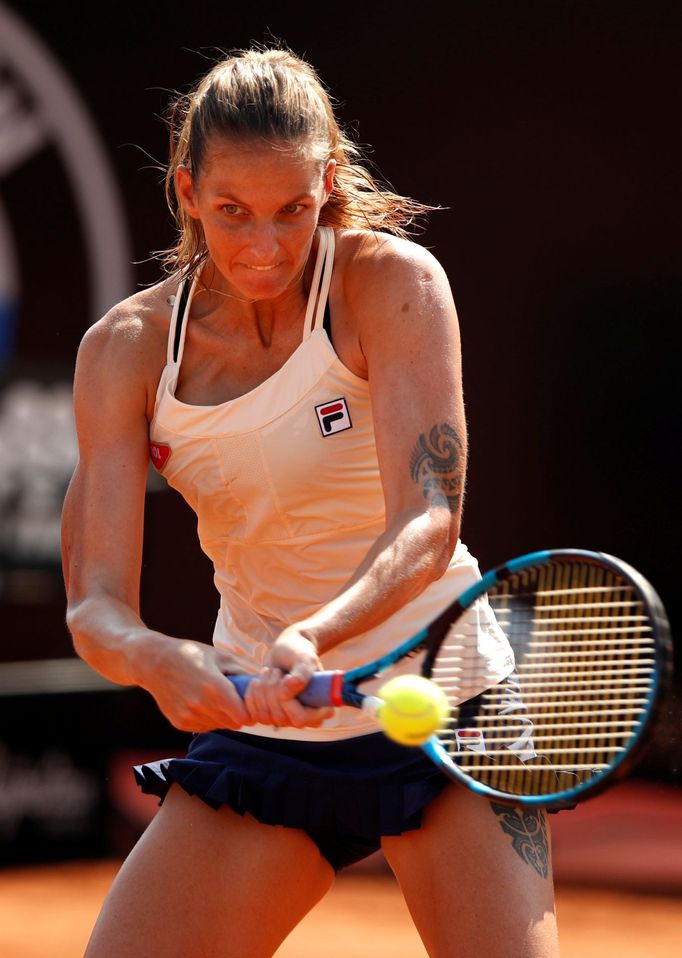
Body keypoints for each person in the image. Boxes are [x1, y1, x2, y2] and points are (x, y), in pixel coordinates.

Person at [61, 45, 560, 957]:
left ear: (327, 182)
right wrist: (154, 658)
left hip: (446, 703)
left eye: (294, 210)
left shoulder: (393, 285)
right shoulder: (126, 349)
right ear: (185, 192)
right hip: (267, 728)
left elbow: (430, 517)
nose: (265, 246)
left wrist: (314, 634)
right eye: (232, 213)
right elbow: (94, 603)